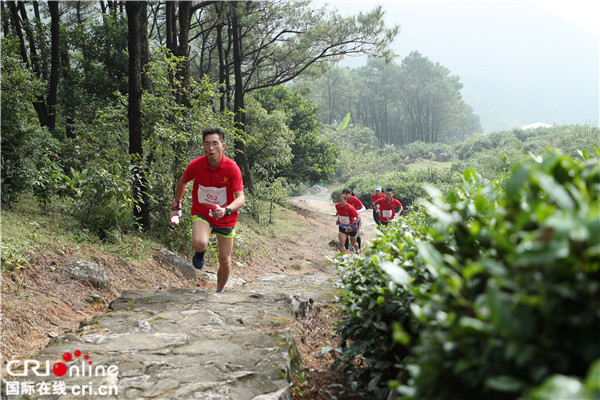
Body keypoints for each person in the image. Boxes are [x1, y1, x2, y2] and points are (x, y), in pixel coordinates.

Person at [170, 127, 245, 294]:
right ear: (203, 146)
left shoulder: (232, 168)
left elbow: (241, 199)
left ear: (223, 146)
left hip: (226, 216)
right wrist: (177, 204)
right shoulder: (196, 165)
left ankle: (219, 292)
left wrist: (226, 210)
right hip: (202, 212)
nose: (211, 148)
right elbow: (183, 181)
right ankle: (199, 252)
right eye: (207, 144)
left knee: (225, 260)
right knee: (200, 242)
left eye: (215, 144)